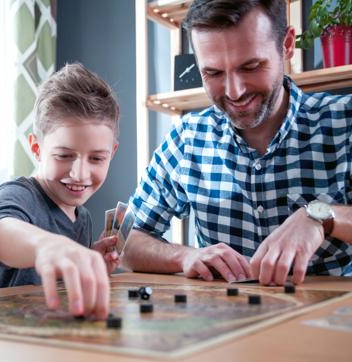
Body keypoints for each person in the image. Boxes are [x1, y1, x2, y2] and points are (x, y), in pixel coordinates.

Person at [123, 0, 352, 286]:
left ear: (287, 45)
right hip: (225, 323)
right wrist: (184, 257)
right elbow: (126, 242)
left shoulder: (345, 122)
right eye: (213, 73)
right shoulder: (188, 139)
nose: (235, 91)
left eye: (251, 66)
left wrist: (325, 218)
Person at [0, 63, 120, 319]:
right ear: (37, 148)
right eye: (64, 155)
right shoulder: (18, 194)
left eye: (96, 159)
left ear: (112, 153)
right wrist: (47, 245)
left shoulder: (82, 218)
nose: (80, 174)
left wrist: (82, 261)